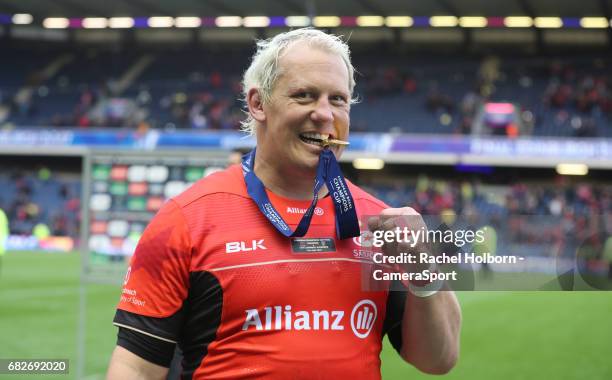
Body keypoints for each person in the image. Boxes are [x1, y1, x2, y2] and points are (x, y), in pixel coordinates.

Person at [106, 28, 461, 379]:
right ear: (258, 103)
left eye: (337, 99)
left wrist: (422, 265)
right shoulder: (186, 219)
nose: (325, 114)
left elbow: (439, 359)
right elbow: (136, 367)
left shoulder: (379, 223)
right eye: (305, 96)